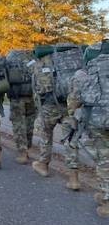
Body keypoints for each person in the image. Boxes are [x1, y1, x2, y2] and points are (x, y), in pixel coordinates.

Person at [30, 44, 82, 190]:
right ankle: (74, 178)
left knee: (46, 136)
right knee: (70, 140)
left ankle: (43, 165)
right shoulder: (72, 61)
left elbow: (37, 88)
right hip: (68, 106)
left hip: (49, 106)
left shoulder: (42, 63)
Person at [68, 42, 109, 216]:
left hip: (99, 120)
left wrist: (73, 115)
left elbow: (75, 99)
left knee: (104, 159)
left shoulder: (88, 69)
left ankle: (107, 203)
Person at [4, 50, 36, 164]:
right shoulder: (31, 58)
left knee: (19, 126)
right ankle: (28, 149)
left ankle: (23, 153)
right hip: (31, 96)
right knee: (29, 124)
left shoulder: (9, 58)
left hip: (16, 98)